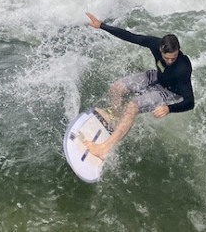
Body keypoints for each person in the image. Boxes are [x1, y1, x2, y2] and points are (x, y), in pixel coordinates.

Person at [82, 12, 195, 160]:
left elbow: (190, 102)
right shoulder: (155, 44)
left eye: (173, 57)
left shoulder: (183, 68)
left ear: (178, 51)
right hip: (157, 76)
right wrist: (102, 26)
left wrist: (169, 108)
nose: (170, 61)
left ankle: (105, 149)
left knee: (132, 106)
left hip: (169, 92)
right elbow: (131, 37)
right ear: (160, 49)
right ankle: (116, 121)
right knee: (116, 88)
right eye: (166, 58)